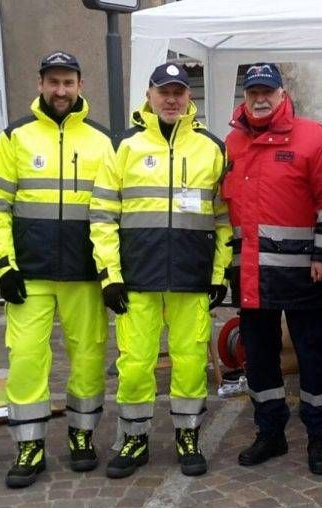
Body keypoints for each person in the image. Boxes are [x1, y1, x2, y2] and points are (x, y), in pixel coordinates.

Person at [89, 63, 231, 479]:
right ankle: (134, 437)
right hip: (137, 278)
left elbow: (224, 220)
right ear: (148, 94)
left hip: (191, 277)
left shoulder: (211, 148)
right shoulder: (124, 147)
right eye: (163, 91)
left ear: (190, 97)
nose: (171, 99)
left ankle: (188, 435)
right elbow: (102, 215)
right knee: (134, 364)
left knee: (189, 362)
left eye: (179, 92)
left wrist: (218, 274)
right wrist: (110, 274)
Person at [0, 51, 113, 488]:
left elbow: (112, 212)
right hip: (31, 273)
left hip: (84, 275)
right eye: (53, 82)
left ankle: (82, 434)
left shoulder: (101, 140)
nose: (61, 90)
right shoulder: (15, 137)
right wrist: (5, 266)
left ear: (80, 85)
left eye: (68, 82)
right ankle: (29, 443)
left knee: (89, 357)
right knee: (25, 359)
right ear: (40, 84)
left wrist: (109, 271)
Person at [221, 63, 322, 474]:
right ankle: (269, 432)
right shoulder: (232, 143)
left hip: (303, 275)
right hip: (251, 275)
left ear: (282, 92)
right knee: (259, 359)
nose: (259, 98)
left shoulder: (312, 138)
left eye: (267, 91)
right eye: (253, 91)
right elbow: (227, 209)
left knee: (312, 356)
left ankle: (318, 437)